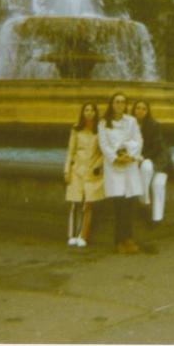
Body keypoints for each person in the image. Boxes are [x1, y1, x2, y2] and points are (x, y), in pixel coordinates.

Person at [98, 92, 143, 254]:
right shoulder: (103, 123)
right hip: (114, 166)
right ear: (111, 104)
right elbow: (103, 144)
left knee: (129, 203)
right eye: (117, 102)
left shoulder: (131, 121)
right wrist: (115, 157)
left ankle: (129, 238)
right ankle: (119, 241)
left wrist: (129, 155)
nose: (119, 105)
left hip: (129, 164)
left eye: (123, 102)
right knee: (118, 204)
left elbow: (138, 140)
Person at [64, 102, 105, 248]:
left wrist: (98, 166)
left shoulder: (100, 130)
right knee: (75, 202)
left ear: (95, 113)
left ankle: (83, 235)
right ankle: (72, 234)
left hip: (92, 170)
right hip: (77, 169)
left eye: (92, 110)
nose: (89, 113)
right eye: (86, 110)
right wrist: (67, 170)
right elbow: (70, 151)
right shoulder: (76, 129)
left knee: (88, 204)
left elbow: (103, 152)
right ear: (83, 113)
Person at [132, 100, 174, 227]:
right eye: (138, 108)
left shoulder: (153, 125)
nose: (140, 111)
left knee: (158, 185)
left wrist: (142, 157)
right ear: (133, 110)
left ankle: (157, 218)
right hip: (147, 160)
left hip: (161, 161)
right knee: (146, 167)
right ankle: (145, 202)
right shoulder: (130, 125)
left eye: (143, 108)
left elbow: (157, 147)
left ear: (147, 111)